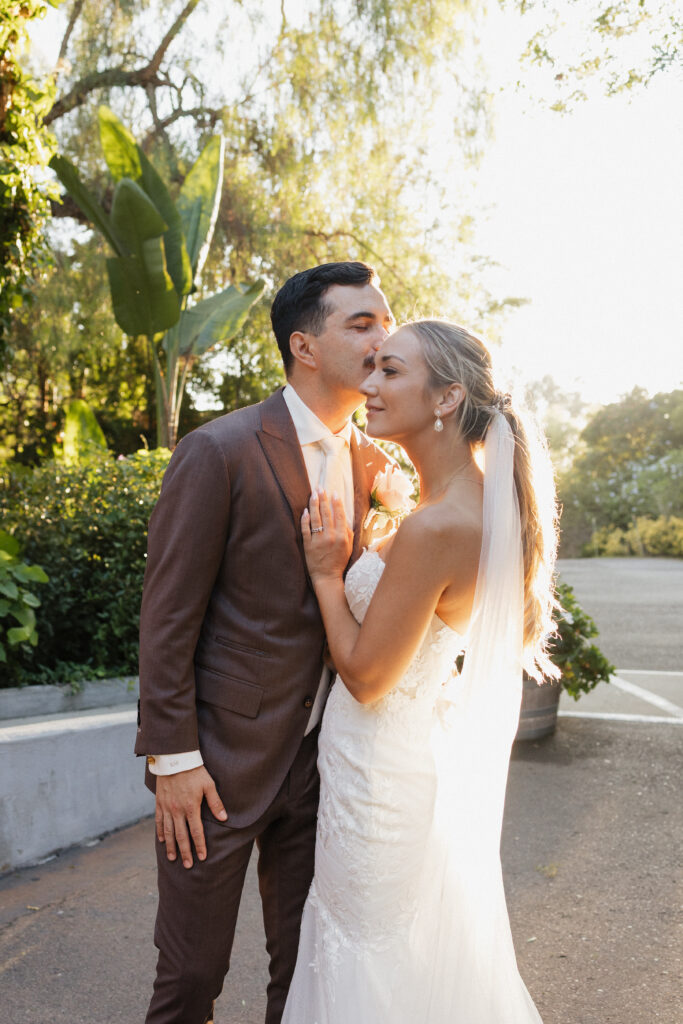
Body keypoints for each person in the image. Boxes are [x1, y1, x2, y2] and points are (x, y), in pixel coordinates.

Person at [134, 261, 396, 1024]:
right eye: (361, 323)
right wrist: (173, 760)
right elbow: (167, 616)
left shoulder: (373, 460)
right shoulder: (219, 449)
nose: (383, 335)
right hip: (215, 767)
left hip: (323, 767)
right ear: (303, 347)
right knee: (190, 978)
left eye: (386, 320)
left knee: (308, 975)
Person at [282, 319, 558, 1023]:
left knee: (363, 953)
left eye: (390, 371)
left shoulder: (438, 528)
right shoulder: (451, 509)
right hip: (396, 762)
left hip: (374, 773)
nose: (368, 385)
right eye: (371, 368)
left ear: (445, 399)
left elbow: (368, 676)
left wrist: (325, 571)